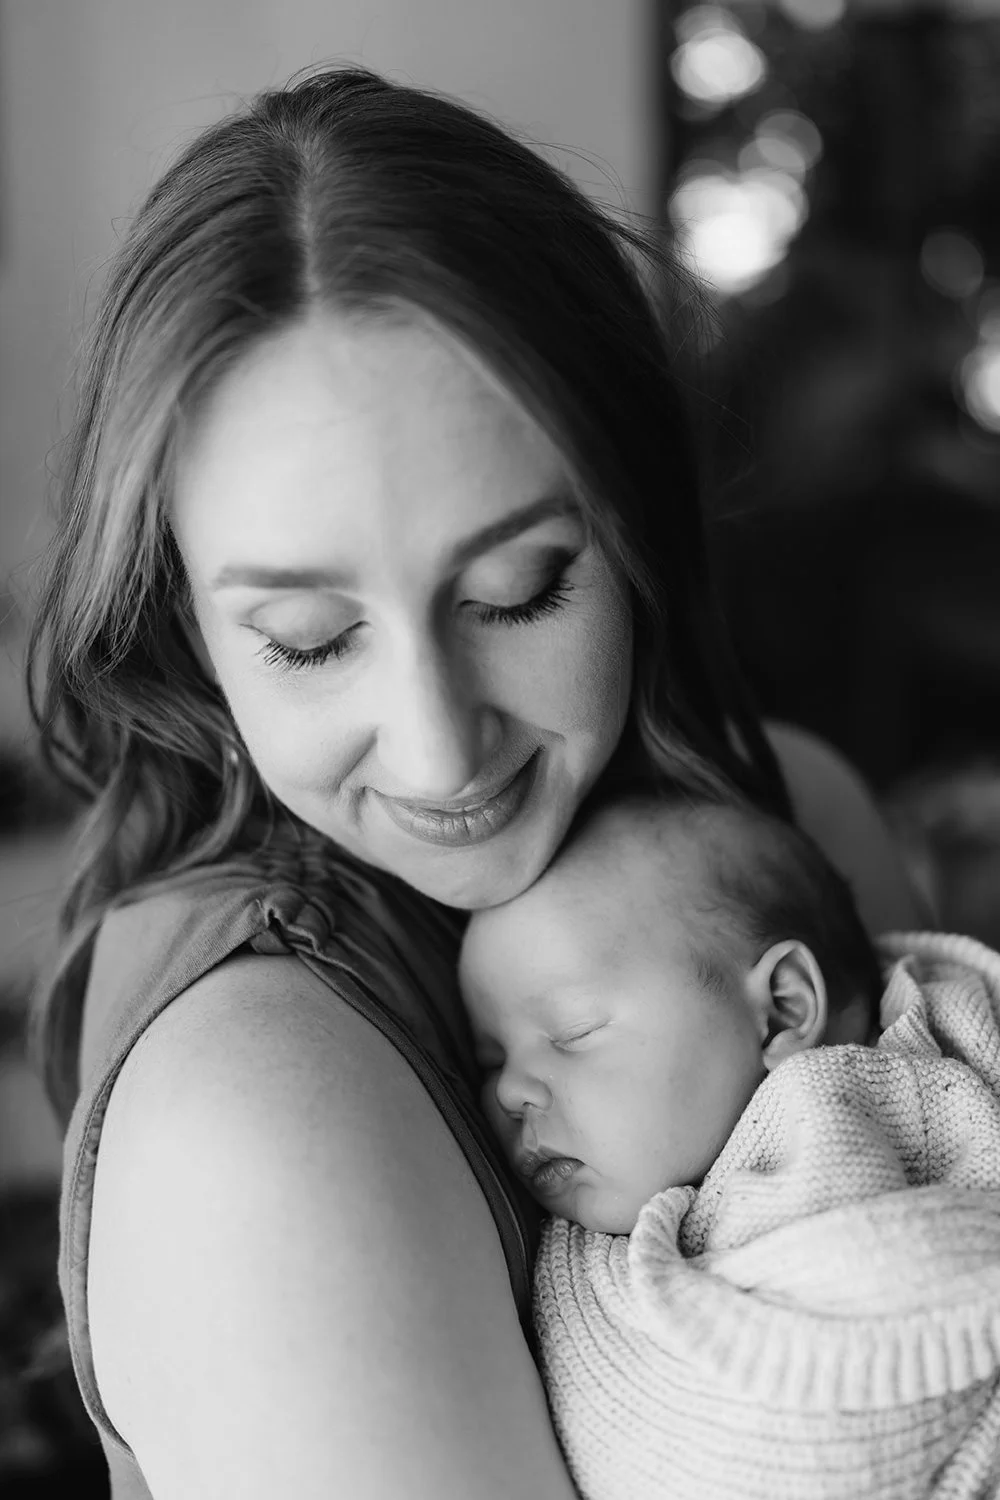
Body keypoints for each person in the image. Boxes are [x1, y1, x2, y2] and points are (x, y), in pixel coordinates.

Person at [26, 65, 920, 1500]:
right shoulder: (255, 1117)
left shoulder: (805, 820)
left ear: (633, 535)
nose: (442, 753)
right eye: (309, 642)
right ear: (187, 634)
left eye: (518, 592)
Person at [459, 792, 1000, 1499]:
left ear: (781, 1010)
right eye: (490, 1058)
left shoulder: (845, 1114)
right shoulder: (584, 1253)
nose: (511, 1091)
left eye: (573, 1033)